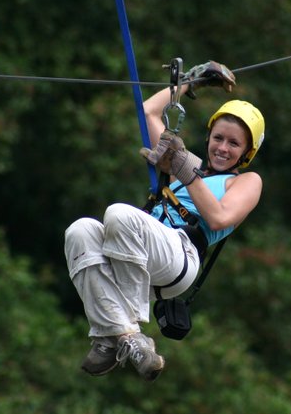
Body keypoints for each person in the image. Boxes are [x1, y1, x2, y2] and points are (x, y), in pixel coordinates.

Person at [64, 61, 265, 381]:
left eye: (233, 143)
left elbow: (218, 218)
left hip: (181, 257)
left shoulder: (245, 181)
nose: (223, 148)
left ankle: (124, 330)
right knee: (80, 231)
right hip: (144, 259)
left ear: (246, 152)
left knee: (119, 213)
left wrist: (183, 168)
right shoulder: (190, 164)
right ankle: (120, 336)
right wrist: (191, 83)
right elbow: (148, 112)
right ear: (209, 136)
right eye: (218, 138)